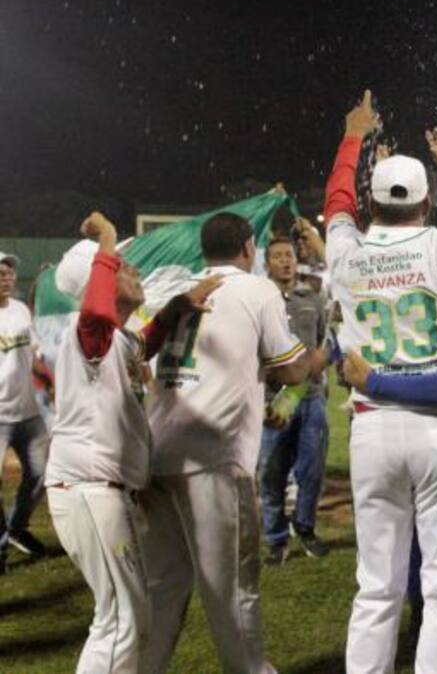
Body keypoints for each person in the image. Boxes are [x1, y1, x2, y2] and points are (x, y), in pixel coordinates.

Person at [324, 91, 437, 674]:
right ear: (427, 198)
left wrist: (352, 136)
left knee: (375, 587)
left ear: (373, 201)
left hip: (372, 430)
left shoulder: (346, 251)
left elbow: (338, 199)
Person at [141, 211, 323, 674]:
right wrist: (323, 355)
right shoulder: (256, 288)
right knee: (233, 591)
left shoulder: (178, 288)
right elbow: (289, 369)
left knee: (163, 588)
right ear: (248, 248)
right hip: (213, 454)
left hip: (156, 450)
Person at [45, 212, 219, 674]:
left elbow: (143, 343)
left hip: (101, 491)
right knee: (120, 621)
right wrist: (104, 239)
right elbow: (98, 312)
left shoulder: (112, 340)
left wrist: (175, 309)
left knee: (127, 616)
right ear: (95, 283)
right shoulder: (88, 335)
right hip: (89, 491)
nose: (134, 268)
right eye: (120, 266)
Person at [257, 235, 332, 564]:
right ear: (267, 263)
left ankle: (305, 528)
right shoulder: (260, 300)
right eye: (278, 256)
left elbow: (320, 344)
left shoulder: (311, 298)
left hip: (310, 396)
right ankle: (275, 538)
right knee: (271, 472)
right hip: (274, 400)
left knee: (312, 470)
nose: (286, 261)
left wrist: (321, 362)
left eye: (289, 255)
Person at [0, 248, 50, 573]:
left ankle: (15, 531)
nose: (6, 278)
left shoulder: (20, 309)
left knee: (39, 476)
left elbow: (34, 351)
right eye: (0, 274)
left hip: (29, 412)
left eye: (9, 273)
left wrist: (48, 376)